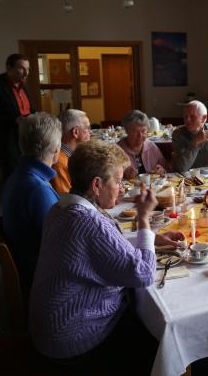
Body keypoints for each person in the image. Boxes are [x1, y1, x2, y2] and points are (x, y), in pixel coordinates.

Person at [29, 140, 184, 374]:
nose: (121, 189)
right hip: (72, 340)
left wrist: (151, 238)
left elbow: (99, 248)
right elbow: (143, 274)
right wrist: (143, 220)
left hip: (50, 329)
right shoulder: (87, 222)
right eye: (118, 182)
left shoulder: (61, 208)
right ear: (97, 184)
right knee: (163, 338)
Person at [2, 112, 61, 290]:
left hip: (29, 260)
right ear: (57, 150)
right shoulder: (37, 188)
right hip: (42, 276)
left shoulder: (20, 176)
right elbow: (59, 244)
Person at [0, 53, 35, 180]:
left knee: (26, 174)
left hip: (25, 139)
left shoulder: (24, 88)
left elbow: (30, 110)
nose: (26, 73)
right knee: (12, 177)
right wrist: (14, 120)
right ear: (9, 68)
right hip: (7, 141)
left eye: (28, 69)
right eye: (21, 68)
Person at [172, 100, 208, 172]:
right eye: (185, 117)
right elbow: (181, 168)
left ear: (204, 118)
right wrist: (194, 143)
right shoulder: (178, 134)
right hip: (188, 178)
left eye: (192, 117)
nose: (187, 120)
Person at [117, 110, 168, 180]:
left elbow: (166, 169)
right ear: (127, 131)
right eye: (135, 131)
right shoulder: (118, 150)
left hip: (152, 188)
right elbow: (111, 178)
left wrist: (162, 170)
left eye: (143, 131)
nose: (140, 135)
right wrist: (124, 174)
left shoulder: (151, 146)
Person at [50, 109, 92, 193]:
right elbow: (66, 199)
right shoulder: (59, 163)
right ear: (75, 132)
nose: (91, 132)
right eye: (88, 128)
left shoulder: (71, 156)